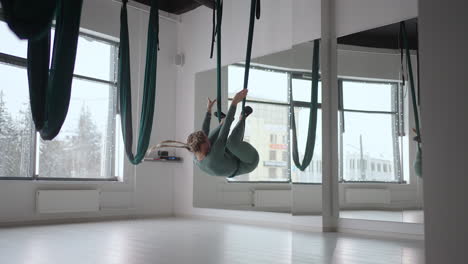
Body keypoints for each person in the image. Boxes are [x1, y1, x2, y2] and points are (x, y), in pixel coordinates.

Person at [155, 89, 259, 178]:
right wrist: (234, 102)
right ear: (202, 147)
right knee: (231, 142)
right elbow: (226, 130)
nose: (209, 142)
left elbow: (204, 132)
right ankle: (243, 117)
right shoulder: (212, 158)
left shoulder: (196, 152)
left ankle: (222, 121)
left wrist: (208, 110)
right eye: (207, 142)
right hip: (246, 163)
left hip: (228, 156)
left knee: (214, 137)